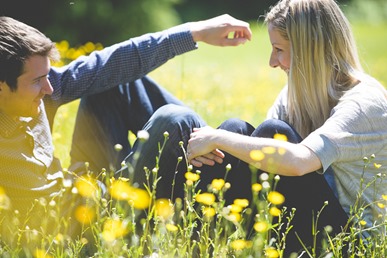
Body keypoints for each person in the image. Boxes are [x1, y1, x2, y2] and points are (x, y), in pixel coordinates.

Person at [124, 0, 387, 255]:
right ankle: (192, 243)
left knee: (270, 133)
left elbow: (299, 161)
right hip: (308, 222)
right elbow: (254, 156)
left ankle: (186, 240)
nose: (273, 62)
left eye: (279, 49)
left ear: (310, 49)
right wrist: (221, 140)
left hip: (350, 243)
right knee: (236, 128)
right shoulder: (295, 95)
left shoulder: (364, 103)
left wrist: (218, 138)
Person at [0, 14, 251, 249]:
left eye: (47, 76)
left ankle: (216, 155)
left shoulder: (42, 92)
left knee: (115, 82)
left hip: (86, 190)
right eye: (36, 81)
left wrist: (194, 32)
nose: (49, 89)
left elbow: (110, 63)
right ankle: (219, 180)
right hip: (78, 229)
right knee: (174, 120)